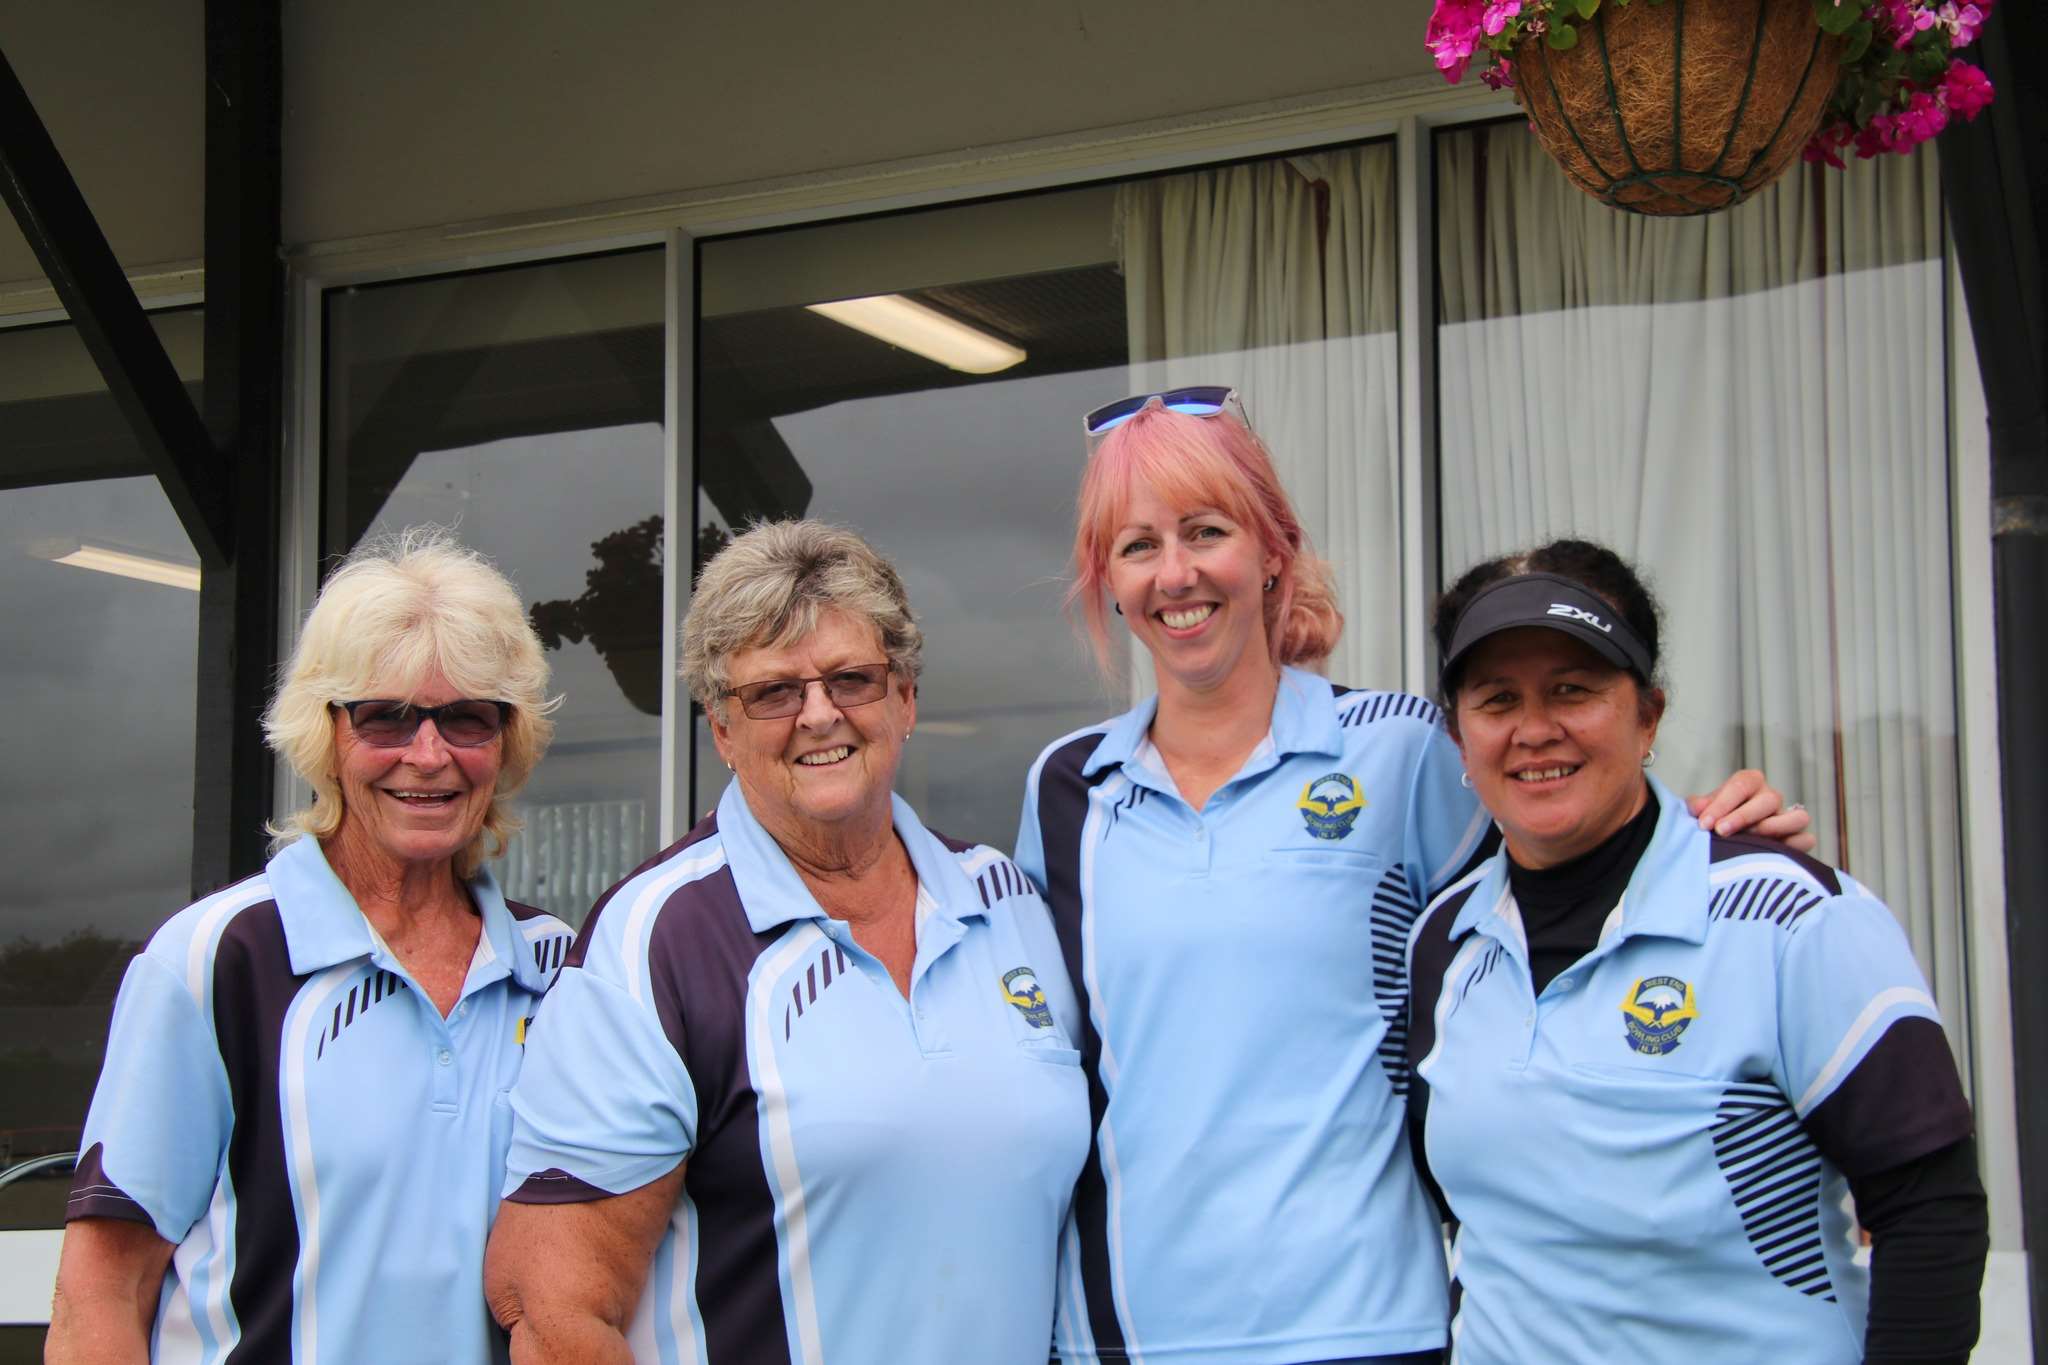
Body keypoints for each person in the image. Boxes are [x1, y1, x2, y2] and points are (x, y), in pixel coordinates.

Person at [1017, 389, 1813, 1365]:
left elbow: (1572, 855)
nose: (1174, 573)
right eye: (1136, 546)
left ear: (1273, 552)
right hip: (1128, 1335)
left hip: (1376, 1322)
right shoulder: (1067, 785)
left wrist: (1710, 837)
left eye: (1205, 531)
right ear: (1108, 579)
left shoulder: (1395, 749)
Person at [484, 519, 1090, 1364]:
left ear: (905, 697)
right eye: (773, 691)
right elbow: (552, 1310)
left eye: (852, 678)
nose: (819, 714)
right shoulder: (657, 939)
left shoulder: (1009, 903)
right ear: (722, 729)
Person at [1406, 538, 1989, 1363]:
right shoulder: (1444, 940)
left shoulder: (1790, 916)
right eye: (1497, 699)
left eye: (1573, 689)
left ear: (1649, 713)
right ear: (1460, 737)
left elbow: (1932, 1210)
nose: (1535, 730)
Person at [47, 528, 572, 1363]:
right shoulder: (216, 960)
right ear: (325, 733)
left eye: (467, 717)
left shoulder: (560, 971)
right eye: (386, 716)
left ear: (507, 741)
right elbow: (100, 1297)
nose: (428, 754)